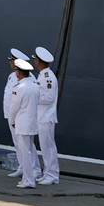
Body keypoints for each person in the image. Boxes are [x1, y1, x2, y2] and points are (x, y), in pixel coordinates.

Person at [9, 58, 40, 188]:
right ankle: (28, 179)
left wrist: (12, 121)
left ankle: (29, 180)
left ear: (19, 73)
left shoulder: (19, 88)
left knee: (25, 153)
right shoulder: (35, 86)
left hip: (22, 124)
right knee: (28, 151)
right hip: (32, 122)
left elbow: (14, 108)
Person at [33, 46, 59, 185]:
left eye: (36, 59)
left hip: (46, 117)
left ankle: (52, 175)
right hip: (41, 116)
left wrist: (33, 98)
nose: (34, 62)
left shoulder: (48, 77)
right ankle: (47, 172)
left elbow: (48, 97)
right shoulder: (42, 75)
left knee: (48, 147)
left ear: (40, 61)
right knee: (44, 147)